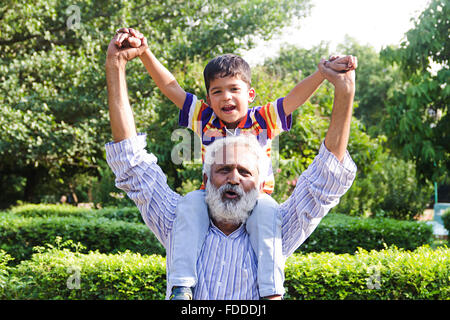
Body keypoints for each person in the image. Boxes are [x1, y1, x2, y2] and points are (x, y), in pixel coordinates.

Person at [105, 31, 357, 300]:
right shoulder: (203, 121)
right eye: (217, 91)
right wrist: (141, 55)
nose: (226, 98)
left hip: (260, 202)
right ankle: (182, 287)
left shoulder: (262, 119)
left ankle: (271, 293)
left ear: (249, 93)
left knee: (267, 213)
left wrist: (326, 77)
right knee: (190, 202)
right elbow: (170, 88)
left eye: (234, 90)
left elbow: (296, 103)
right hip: (203, 201)